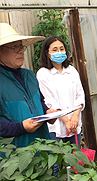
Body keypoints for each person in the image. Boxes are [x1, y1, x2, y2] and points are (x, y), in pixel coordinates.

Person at [0, 23, 57, 157]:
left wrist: (48, 112)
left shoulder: (29, 75)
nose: (20, 51)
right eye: (14, 47)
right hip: (15, 159)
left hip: (43, 149)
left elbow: (39, 101)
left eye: (21, 47)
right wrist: (21, 127)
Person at [37, 36, 85, 147]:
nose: (59, 52)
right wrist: (66, 121)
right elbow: (50, 101)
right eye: (54, 50)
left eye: (62, 49)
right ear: (47, 53)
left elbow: (80, 95)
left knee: (76, 160)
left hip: (75, 123)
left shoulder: (72, 71)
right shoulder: (43, 74)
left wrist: (74, 117)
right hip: (57, 126)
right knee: (57, 162)